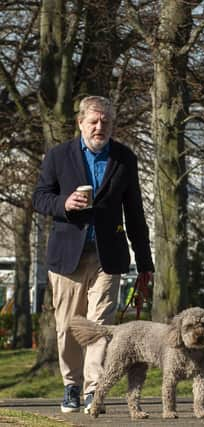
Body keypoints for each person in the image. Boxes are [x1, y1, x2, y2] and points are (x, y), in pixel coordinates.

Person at [33, 96, 154, 414]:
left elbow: (135, 211)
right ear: (81, 122)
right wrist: (64, 204)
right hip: (67, 254)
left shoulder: (124, 158)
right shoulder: (59, 156)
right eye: (94, 121)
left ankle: (93, 390)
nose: (100, 127)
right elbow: (40, 197)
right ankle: (71, 386)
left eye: (106, 122)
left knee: (100, 323)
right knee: (70, 325)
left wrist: (145, 263)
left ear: (113, 125)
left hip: (108, 255)